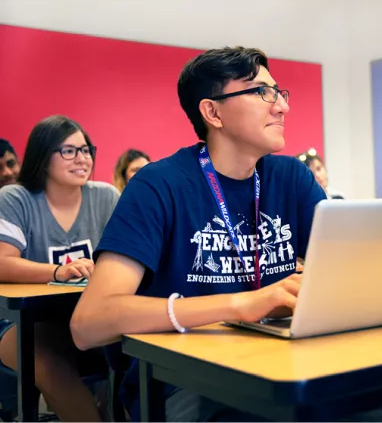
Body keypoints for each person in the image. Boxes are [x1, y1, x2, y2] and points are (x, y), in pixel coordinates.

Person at [70, 46, 333, 422]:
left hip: (281, 363)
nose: (281, 106)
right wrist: (241, 304)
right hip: (181, 380)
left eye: (279, 92)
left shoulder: (292, 178)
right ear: (212, 112)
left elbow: (342, 274)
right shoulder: (158, 185)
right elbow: (89, 323)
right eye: (261, 92)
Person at [0, 115, 120, 421]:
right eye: (69, 151)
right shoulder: (16, 198)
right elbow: (2, 262)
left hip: (87, 318)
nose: (82, 159)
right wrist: (58, 271)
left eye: (86, 150)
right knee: (51, 365)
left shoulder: (105, 196)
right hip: (19, 324)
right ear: (43, 156)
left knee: (132, 355)